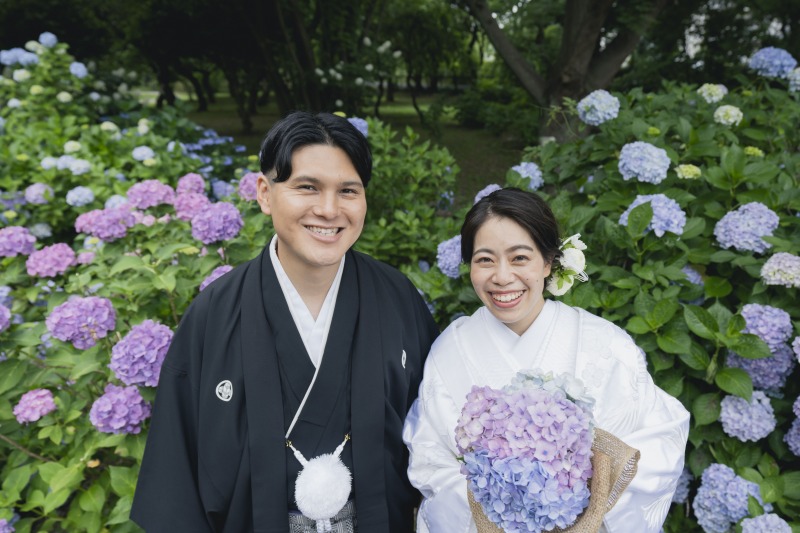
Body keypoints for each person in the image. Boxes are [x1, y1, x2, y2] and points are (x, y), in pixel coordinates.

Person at [131, 112, 439, 533]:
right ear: (264, 192)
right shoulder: (214, 315)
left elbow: (436, 440)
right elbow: (175, 475)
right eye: (307, 187)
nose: (329, 210)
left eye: (348, 190)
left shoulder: (397, 299)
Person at [403, 188, 690, 533]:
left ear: (548, 261)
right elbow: (430, 457)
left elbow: (657, 443)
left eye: (520, 257)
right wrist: (496, 509)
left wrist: (585, 511)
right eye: (485, 259)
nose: (502, 276)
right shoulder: (452, 346)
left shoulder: (604, 342)